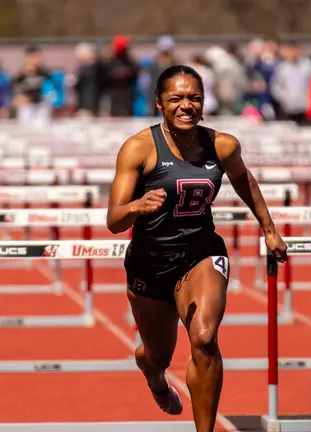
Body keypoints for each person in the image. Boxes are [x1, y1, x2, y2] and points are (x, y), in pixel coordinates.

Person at [106, 65, 288, 432]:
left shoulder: (222, 144)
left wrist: (269, 230)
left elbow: (244, 180)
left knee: (204, 338)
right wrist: (136, 207)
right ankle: (153, 374)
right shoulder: (139, 148)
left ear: (204, 103)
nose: (185, 106)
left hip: (201, 254)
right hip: (149, 264)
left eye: (194, 98)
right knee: (158, 356)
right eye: (176, 98)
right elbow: (114, 220)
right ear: (159, 103)